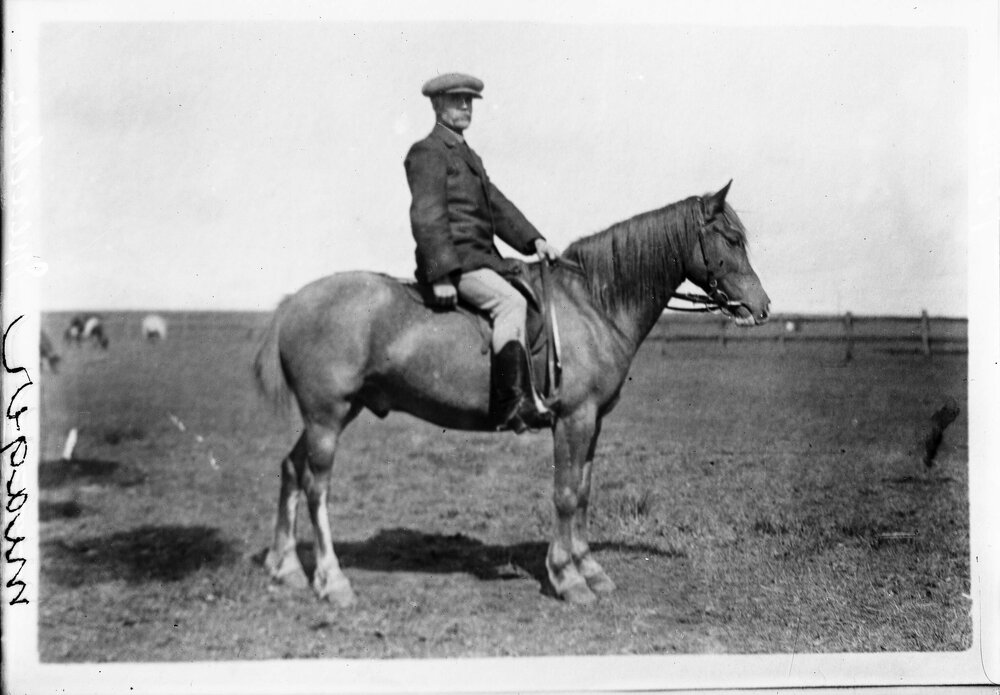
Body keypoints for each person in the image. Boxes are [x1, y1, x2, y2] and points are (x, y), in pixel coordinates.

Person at [404, 72, 561, 433]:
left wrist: (534, 240)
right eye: (456, 100)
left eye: (469, 101)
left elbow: (498, 206)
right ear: (436, 105)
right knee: (510, 302)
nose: (464, 106)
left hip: (480, 259)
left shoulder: (466, 155)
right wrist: (441, 274)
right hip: (458, 264)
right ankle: (513, 404)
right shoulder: (428, 152)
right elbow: (427, 216)